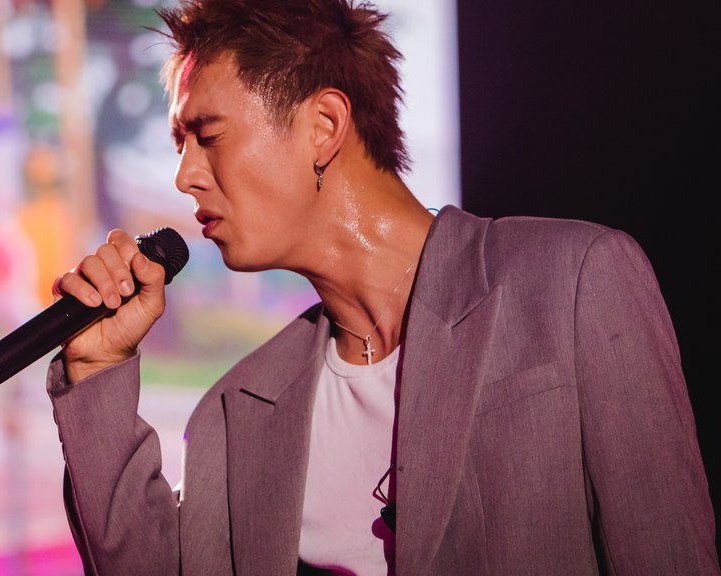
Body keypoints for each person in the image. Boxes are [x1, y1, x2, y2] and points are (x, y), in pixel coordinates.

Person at [45, 0, 720, 574]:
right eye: (179, 145)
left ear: (324, 126)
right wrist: (97, 368)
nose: (185, 176)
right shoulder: (240, 408)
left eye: (208, 135)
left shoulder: (572, 281)